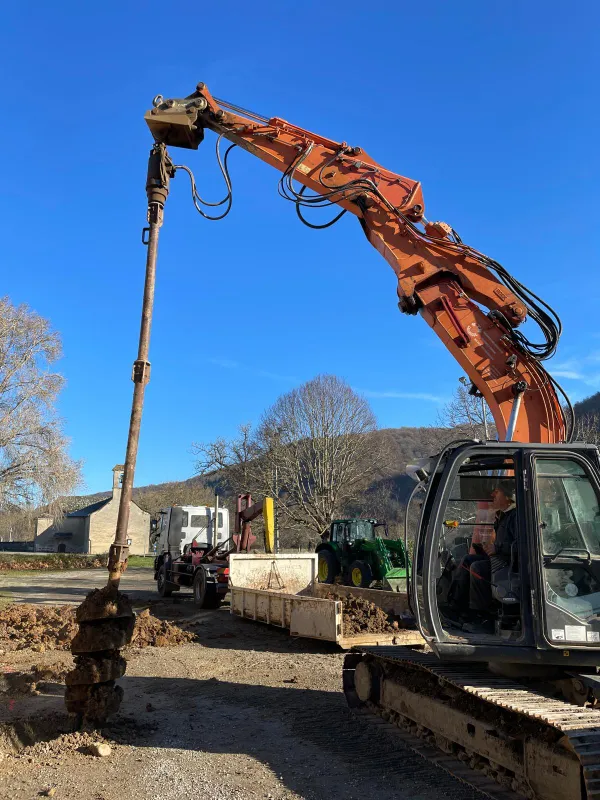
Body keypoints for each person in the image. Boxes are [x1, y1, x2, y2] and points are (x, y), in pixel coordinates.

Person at [448, 481, 517, 628]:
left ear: (508, 496)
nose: (492, 495)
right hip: (501, 559)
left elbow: (521, 545)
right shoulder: (503, 516)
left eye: (497, 492)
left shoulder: (516, 517)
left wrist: (497, 548)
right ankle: (456, 607)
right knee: (468, 560)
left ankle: (481, 617)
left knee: (478, 568)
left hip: (510, 565)